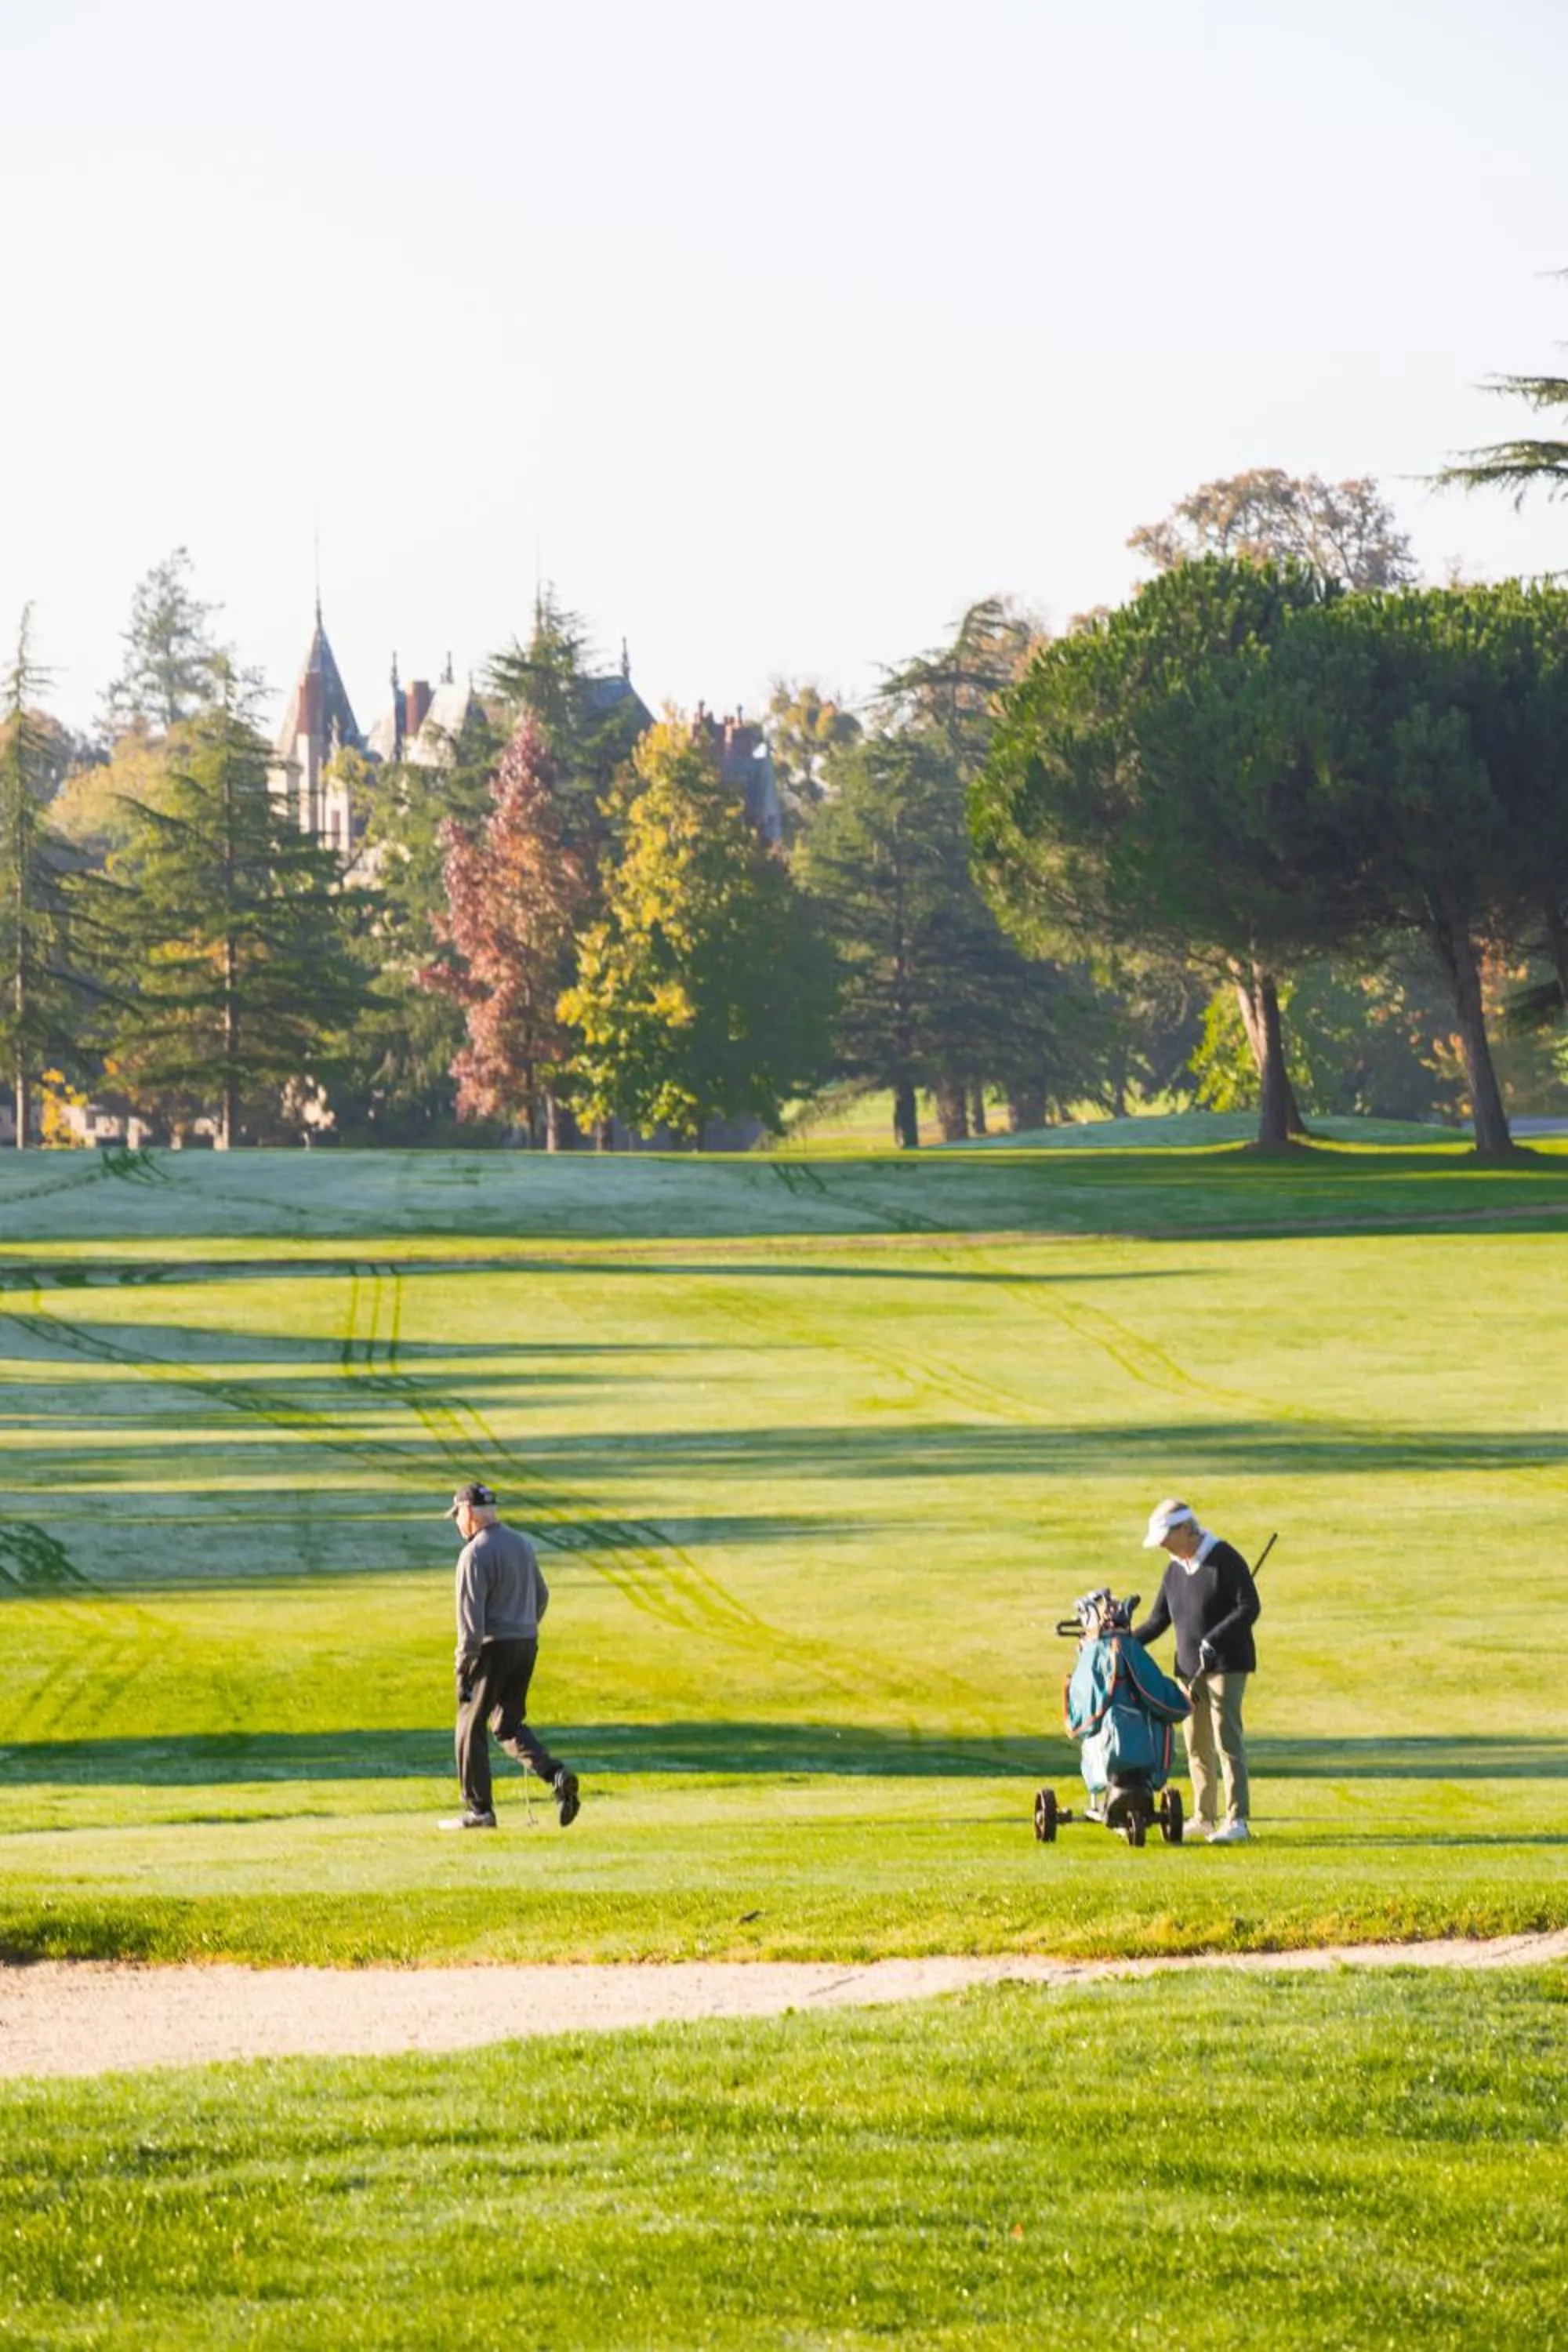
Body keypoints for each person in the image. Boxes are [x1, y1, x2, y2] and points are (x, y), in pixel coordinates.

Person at [443, 1479, 581, 1831]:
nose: (458, 1522)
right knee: (507, 1725)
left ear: (469, 1513)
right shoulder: (522, 1545)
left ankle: (479, 1810)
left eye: (457, 1514)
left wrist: (464, 1666)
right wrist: (524, 1624)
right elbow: (542, 1595)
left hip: (492, 1648)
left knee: (469, 1725)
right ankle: (556, 1775)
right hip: (526, 1643)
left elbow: (469, 1622)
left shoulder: (474, 1554)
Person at [1131, 1498, 1259, 1846]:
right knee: (1196, 1744)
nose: (1161, 1546)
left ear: (1186, 1530)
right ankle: (1204, 1817)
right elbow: (1159, 1620)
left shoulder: (1224, 1558)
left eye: (1165, 1538)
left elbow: (1249, 1607)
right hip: (1188, 1670)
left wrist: (1214, 1639)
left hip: (1226, 1665)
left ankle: (1237, 1819)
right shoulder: (1175, 1568)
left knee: (1226, 1739)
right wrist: (1124, 1643)